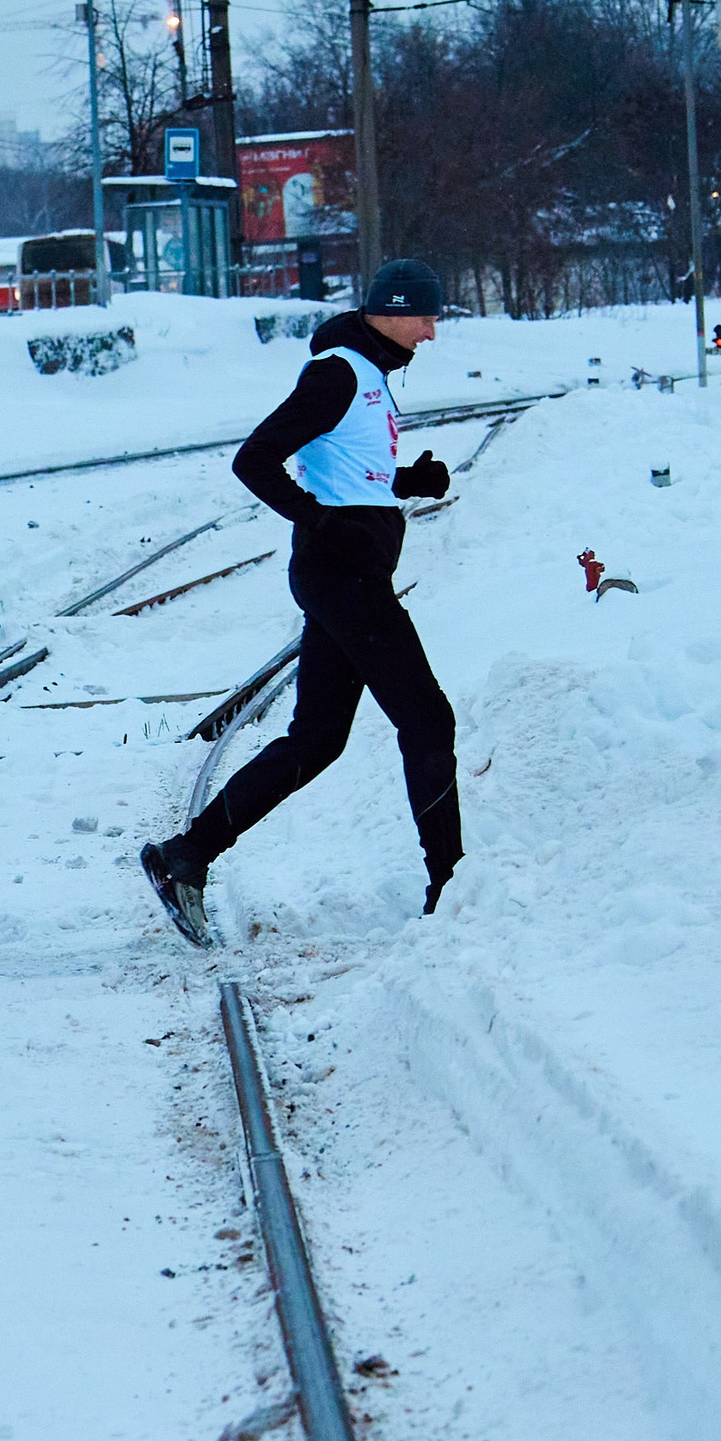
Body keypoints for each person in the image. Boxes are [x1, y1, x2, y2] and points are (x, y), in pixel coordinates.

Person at [141, 258, 465, 940]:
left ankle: (185, 855)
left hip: (342, 573)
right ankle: (453, 887)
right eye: (428, 316)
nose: (433, 332)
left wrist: (408, 480)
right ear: (394, 310)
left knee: (316, 740)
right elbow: (255, 458)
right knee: (427, 718)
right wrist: (317, 519)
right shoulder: (338, 372)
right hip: (343, 576)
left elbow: (350, 470)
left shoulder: (368, 376)